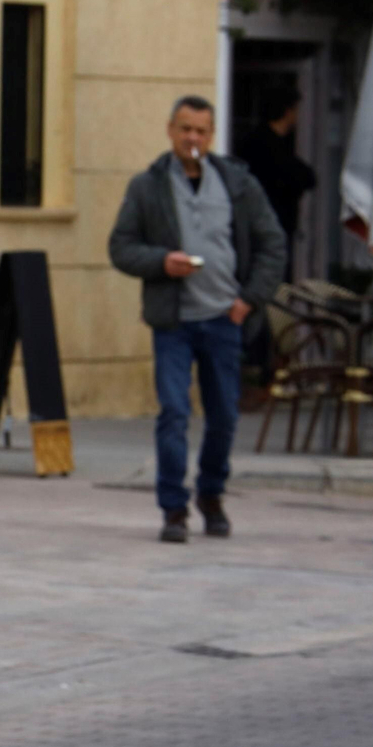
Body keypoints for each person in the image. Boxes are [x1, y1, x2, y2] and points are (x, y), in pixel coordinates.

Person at [108, 96, 285, 544]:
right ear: (170, 130)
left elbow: (272, 244)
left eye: (201, 131)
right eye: (185, 129)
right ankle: (173, 508)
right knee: (173, 412)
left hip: (225, 317)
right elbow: (121, 247)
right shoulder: (148, 187)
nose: (193, 139)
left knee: (224, 415)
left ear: (212, 135)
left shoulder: (239, 184)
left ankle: (211, 493)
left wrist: (250, 299)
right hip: (174, 321)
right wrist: (160, 261)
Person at [236, 84, 316, 282]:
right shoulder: (268, 145)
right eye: (296, 110)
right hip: (268, 225)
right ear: (288, 111)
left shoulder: (269, 142)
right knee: (272, 277)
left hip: (269, 223)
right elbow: (304, 177)